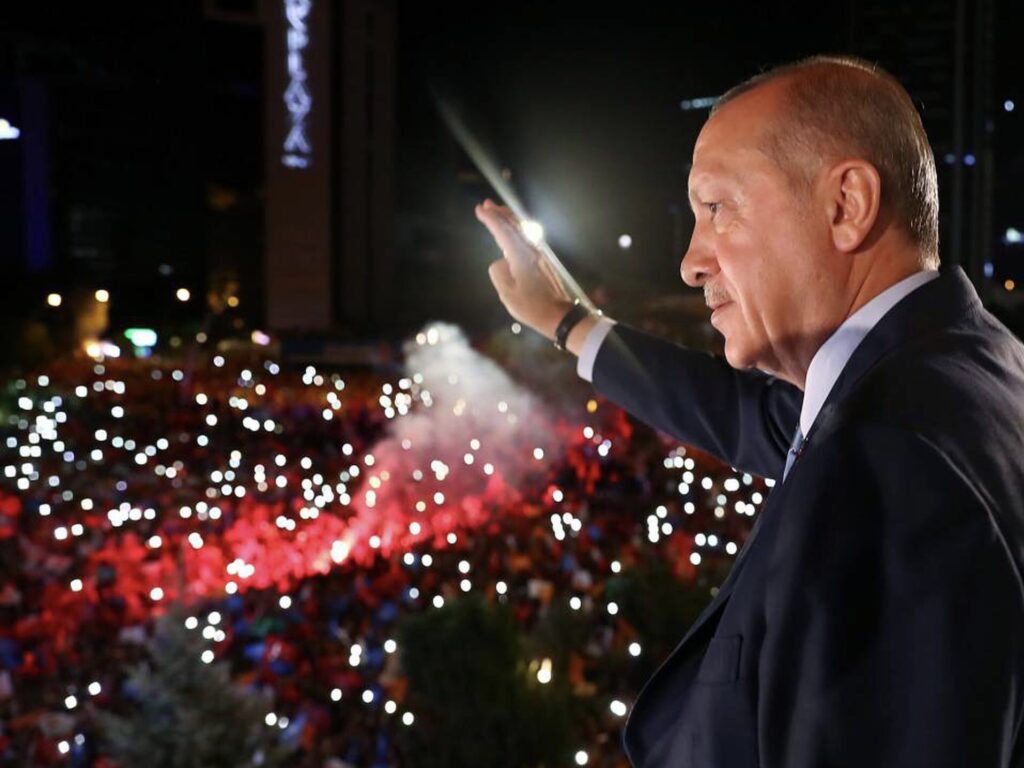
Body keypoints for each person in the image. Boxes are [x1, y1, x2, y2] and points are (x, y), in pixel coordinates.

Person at [476, 55, 1024, 768]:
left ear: (846, 204)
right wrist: (566, 321)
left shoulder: (888, 461)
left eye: (717, 209)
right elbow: (750, 418)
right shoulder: (956, 370)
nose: (690, 262)